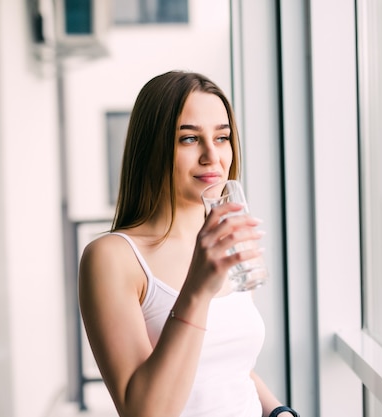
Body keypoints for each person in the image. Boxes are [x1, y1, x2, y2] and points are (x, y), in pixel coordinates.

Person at [78, 70, 299, 417]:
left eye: (222, 137)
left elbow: (227, 370)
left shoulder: (223, 244)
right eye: (189, 139)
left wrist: (280, 412)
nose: (212, 155)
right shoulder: (112, 258)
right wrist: (197, 290)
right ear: (152, 148)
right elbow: (143, 411)